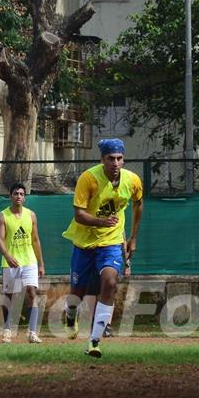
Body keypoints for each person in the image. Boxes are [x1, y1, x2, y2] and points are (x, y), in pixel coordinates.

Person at [62, 138, 143, 358]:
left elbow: (139, 204)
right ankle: (70, 314)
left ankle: (94, 341)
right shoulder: (88, 179)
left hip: (111, 242)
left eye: (119, 159)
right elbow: (79, 214)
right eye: (111, 159)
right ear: (102, 160)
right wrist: (100, 222)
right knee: (76, 294)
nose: (116, 163)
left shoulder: (133, 180)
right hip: (84, 242)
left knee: (109, 282)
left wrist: (133, 238)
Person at [0, 182, 45, 344]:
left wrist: (41, 263)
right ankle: (7, 330)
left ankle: (32, 333)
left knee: (32, 292)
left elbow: (36, 240)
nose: (18, 196)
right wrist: (7, 256)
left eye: (21, 194)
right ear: (10, 196)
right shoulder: (3, 216)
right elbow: (0, 240)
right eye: (16, 193)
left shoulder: (31, 215)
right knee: (10, 296)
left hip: (29, 260)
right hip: (11, 262)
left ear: (25, 198)